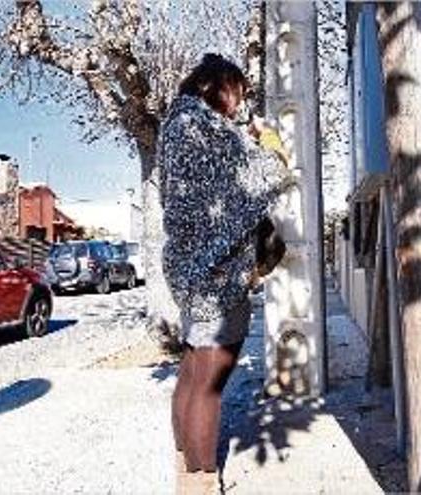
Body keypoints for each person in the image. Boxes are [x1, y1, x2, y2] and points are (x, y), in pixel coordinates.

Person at [157, 53, 294, 494]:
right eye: (238, 92)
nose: (239, 103)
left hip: (187, 268)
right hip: (216, 273)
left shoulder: (175, 124)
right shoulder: (211, 129)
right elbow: (270, 173)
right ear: (219, 86)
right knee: (211, 381)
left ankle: (184, 474)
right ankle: (200, 482)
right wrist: (268, 142)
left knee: (193, 372)